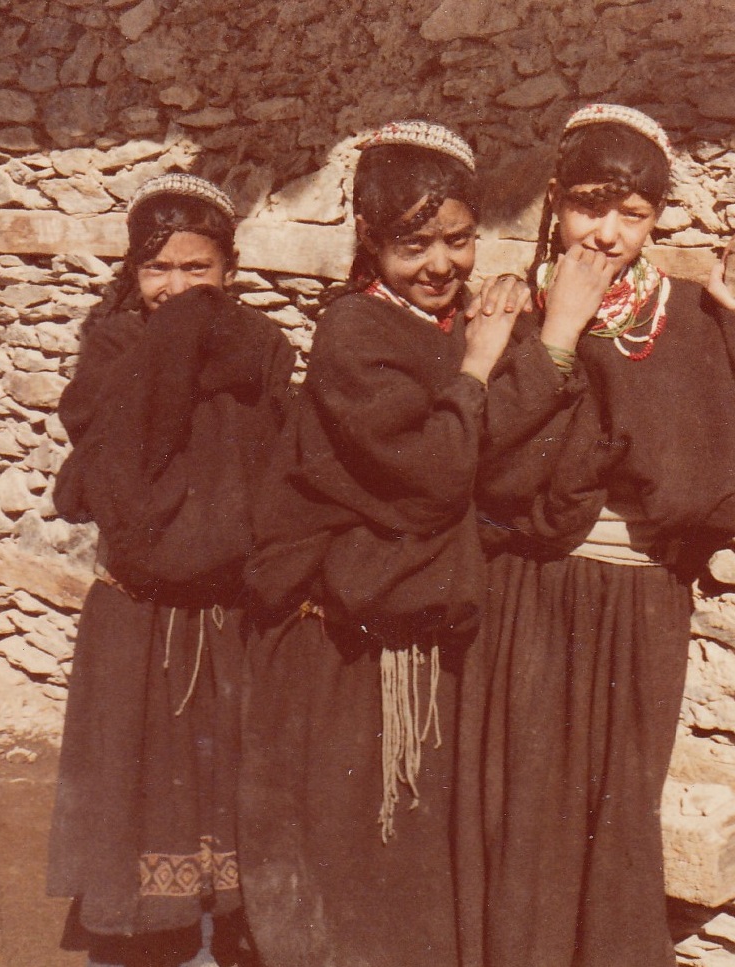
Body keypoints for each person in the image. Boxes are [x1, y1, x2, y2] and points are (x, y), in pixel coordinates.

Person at [453, 103, 735, 967]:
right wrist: (557, 333)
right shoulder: (506, 312)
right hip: (527, 596)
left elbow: (716, 470)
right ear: (554, 202)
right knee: (518, 800)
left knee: (614, 804)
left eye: (630, 214)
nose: (605, 233)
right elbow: (480, 461)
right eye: (588, 207)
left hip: (638, 603)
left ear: (655, 219)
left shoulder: (684, 319)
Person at [237, 120, 569, 967]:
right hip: (338, 655)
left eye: (457, 239)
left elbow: (491, 457)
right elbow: (431, 475)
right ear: (369, 244)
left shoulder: (451, 321)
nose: (440, 265)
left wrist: (504, 348)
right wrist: (481, 364)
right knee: (352, 855)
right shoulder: (354, 331)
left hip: (417, 639)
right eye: (411, 245)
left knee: (409, 859)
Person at [47, 173, 297, 966]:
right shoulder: (113, 353)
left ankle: (222, 933)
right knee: (143, 778)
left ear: (230, 270)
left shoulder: (258, 351)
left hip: (227, 614)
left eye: (198, 269)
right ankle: (146, 941)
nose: (178, 289)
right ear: (132, 273)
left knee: (224, 784)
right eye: (158, 269)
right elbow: (114, 478)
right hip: (140, 613)